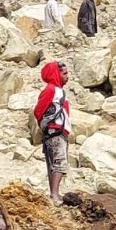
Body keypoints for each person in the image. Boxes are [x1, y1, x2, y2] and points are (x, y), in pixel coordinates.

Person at [33, 60, 71, 203]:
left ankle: (54, 194)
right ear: (57, 74)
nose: (68, 76)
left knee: (54, 164)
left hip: (57, 132)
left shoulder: (57, 90)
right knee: (59, 163)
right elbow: (38, 110)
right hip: (55, 132)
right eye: (65, 73)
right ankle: (54, 195)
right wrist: (49, 125)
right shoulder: (52, 90)